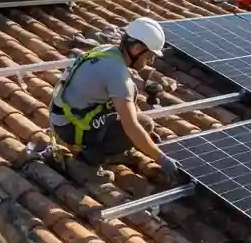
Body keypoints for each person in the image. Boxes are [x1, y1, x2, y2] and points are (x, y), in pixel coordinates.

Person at [49, 18, 178, 176]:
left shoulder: (107, 51)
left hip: (63, 116)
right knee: (144, 124)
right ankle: (90, 157)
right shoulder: (116, 73)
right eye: (150, 55)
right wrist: (162, 159)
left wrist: (146, 140)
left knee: (136, 114)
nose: (151, 60)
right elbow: (132, 127)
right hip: (70, 128)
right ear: (137, 49)